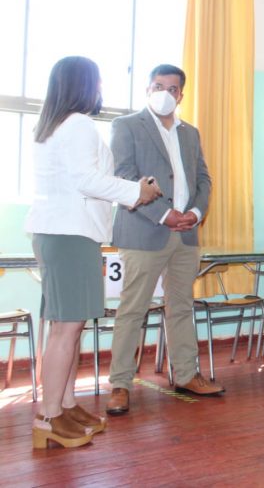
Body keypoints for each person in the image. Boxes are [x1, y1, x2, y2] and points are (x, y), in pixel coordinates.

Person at [25, 56, 161, 448]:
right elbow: (87, 181)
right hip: (70, 233)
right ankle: (49, 416)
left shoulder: (54, 125)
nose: (101, 90)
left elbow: (83, 178)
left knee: (67, 325)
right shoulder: (79, 124)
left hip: (61, 231)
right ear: (84, 85)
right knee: (67, 328)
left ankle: (65, 405)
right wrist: (137, 192)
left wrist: (129, 189)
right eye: (98, 82)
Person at [105, 64, 221, 417]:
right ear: (147, 89)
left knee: (182, 306)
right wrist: (163, 213)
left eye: (172, 88)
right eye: (159, 86)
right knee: (133, 310)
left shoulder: (190, 132)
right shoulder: (126, 126)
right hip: (144, 230)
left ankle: (186, 374)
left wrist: (195, 214)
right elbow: (124, 176)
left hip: (186, 234)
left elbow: (203, 179)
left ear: (181, 95)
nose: (165, 93)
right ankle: (120, 384)